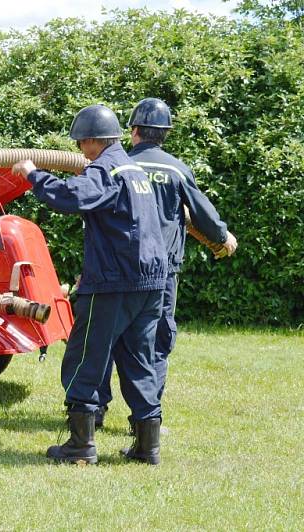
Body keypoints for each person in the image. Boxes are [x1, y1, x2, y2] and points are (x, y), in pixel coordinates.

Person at [12, 104, 167, 465]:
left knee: (85, 357)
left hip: (114, 284)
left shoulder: (106, 168)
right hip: (150, 283)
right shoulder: (134, 170)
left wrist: (34, 175)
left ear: (94, 140)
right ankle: (148, 448)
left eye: (82, 143)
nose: (81, 150)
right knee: (139, 360)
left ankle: (81, 445)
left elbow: (71, 197)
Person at [95, 98, 238, 431]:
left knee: (105, 337)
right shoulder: (176, 169)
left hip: (116, 270)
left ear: (132, 132)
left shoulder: (115, 165)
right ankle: (146, 421)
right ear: (165, 134)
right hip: (160, 274)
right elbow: (203, 216)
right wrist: (222, 237)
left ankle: (94, 412)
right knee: (154, 341)